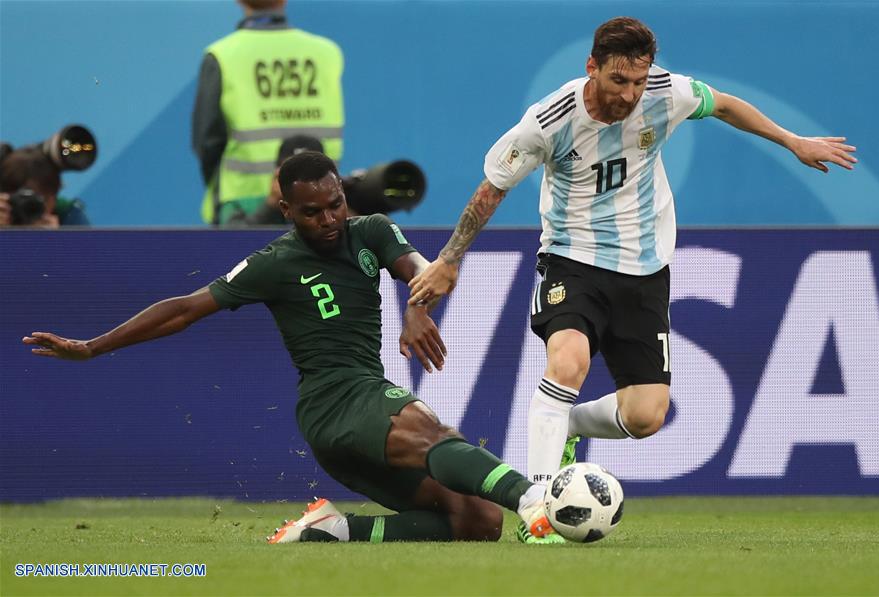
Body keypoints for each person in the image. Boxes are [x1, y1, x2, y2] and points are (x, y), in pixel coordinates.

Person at [407, 16, 857, 543]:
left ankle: (568, 426)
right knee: (568, 360)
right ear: (591, 68)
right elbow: (491, 190)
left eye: (639, 81)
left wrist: (791, 140)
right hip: (572, 260)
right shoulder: (549, 120)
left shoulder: (666, 92)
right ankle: (541, 508)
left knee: (646, 416)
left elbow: (727, 105)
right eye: (619, 81)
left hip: (644, 269)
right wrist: (450, 259)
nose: (630, 93)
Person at [23, 151, 562, 544]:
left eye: (335, 204)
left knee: (477, 523)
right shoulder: (273, 264)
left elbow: (422, 272)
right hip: (335, 403)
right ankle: (533, 497)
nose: (328, 219)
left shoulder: (371, 230)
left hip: (362, 404)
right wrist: (93, 347)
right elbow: (186, 308)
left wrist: (416, 307)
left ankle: (334, 530)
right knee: (432, 432)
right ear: (286, 210)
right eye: (312, 212)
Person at [193, 0, 344, 226]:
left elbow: (208, 143)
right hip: (320, 200)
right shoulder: (326, 53)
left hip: (245, 205)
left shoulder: (223, 55)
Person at [0, 147, 90, 228]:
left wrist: (54, 241)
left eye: (39, 201)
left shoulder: (68, 215)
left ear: (54, 197)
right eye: (21, 199)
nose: (29, 209)